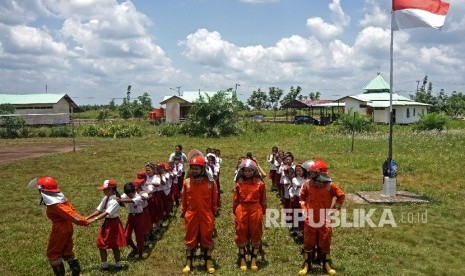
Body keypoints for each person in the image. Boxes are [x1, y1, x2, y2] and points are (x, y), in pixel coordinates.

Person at [29, 176, 92, 276]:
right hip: (67, 227)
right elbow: (72, 211)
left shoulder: (55, 205)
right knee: (67, 252)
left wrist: (84, 221)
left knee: (53, 253)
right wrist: (83, 219)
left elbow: (70, 214)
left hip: (60, 229)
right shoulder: (61, 199)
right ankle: (76, 273)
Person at [298, 160, 345, 276]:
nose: (310, 174)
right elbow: (301, 197)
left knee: (325, 239)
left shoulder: (330, 185)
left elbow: (341, 196)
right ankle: (307, 264)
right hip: (310, 217)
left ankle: (325, 263)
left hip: (324, 218)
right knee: (308, 240)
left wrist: (333, 210)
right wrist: (304, 208)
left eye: (313, 172)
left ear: (320, 173)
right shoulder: (308, 184)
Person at [181, 155, 218, 274]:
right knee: (190, 237)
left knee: (207, 237)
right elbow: (184, 199)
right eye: (193, 168)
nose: (195, 170)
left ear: (203, 169)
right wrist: (185, 212)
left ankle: (208, 262)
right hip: (191, 214)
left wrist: (212, 213)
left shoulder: (210, 183)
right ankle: (188, 263)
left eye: (197, 168)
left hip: (206, 214)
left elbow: (214, 200)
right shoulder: (186, 182)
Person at [233, 159, 267, 272]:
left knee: (256, 232)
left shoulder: (260, 183)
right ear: (242, 171)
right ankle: (242, 259)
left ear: (254, 171)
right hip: (241, 208)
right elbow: (235, 199)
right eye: (245, 171)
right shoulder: (239, 183)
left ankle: (253, 259)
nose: (247, 173)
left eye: (250, 171)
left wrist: (263, 211)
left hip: (255, 209)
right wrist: (235, 211)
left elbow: (263, 199)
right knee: (241, 231)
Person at [86, 179, 126, 271]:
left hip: (113, 224)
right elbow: (99, 210)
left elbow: (106, 213)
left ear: (111, 189)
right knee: (101, 244)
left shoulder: (115, 201)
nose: (103, 191)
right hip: (107, 223)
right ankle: (105, 265)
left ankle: (118, 265)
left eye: (105, 189)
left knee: (114, 245)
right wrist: (87, 217)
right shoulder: (106, 198)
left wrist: (94, 219)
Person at [118, 182, 146, 259]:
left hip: (139, 217)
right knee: (126, 235)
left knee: (139, 236)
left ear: (134, 191)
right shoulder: (126, 195)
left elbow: (130, 201)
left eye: (130, 194)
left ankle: (140, 253)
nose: (129, 196)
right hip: (131, 216)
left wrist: (120, 200)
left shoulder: (138, 197)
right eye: (127, 194)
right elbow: (121, 196)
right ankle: (135, 249)